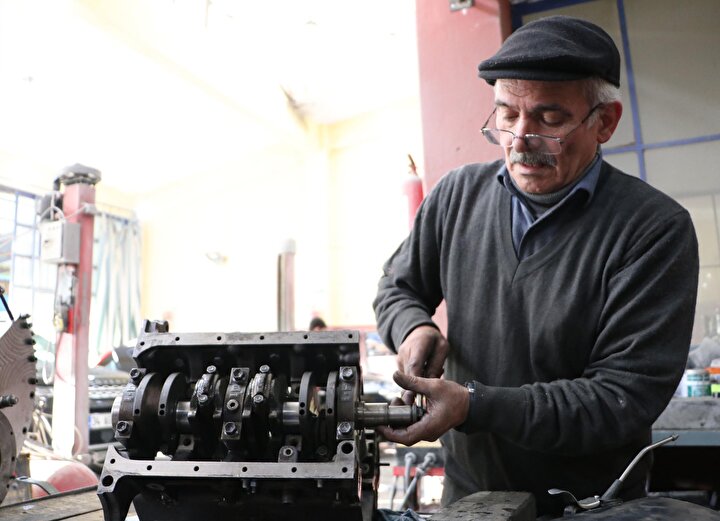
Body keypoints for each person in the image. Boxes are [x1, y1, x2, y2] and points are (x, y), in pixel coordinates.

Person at [373, 15, 699, 517]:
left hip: (589, 506)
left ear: (604, 122)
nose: (520, 139)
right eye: (506, 115)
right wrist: (413, 328)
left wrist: (475, 405)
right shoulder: (458, 195)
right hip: (472, 501)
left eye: (549, 119)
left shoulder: (652, 231)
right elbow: (398, 286)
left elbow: (619, 398)